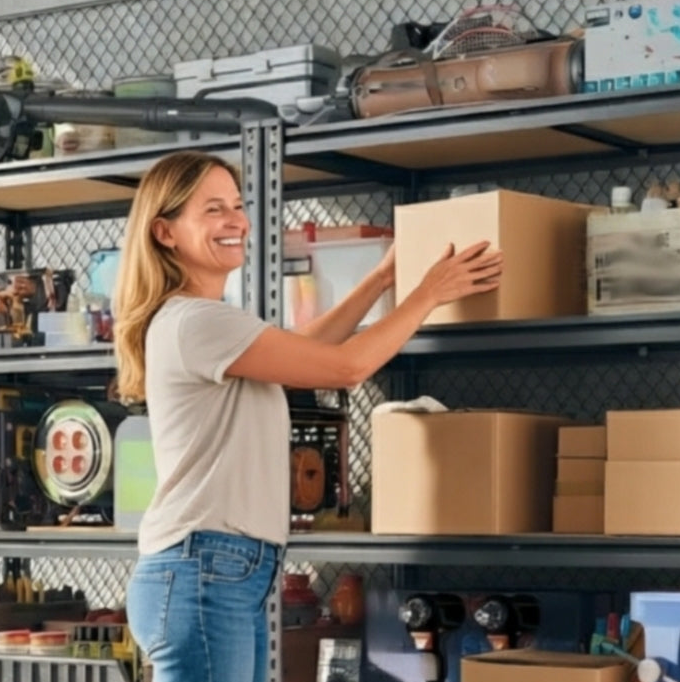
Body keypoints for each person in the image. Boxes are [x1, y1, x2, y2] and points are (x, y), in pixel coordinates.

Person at [111, 150, 503, 682]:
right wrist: (428, 295)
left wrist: (380, 281)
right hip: (204, 569)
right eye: (212, 210)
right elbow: (344, 369)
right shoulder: (195, 321)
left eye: (237, 204)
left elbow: (303, 357)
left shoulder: (207, 321)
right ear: (165, 232)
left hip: (216, 571)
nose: (235, 221)